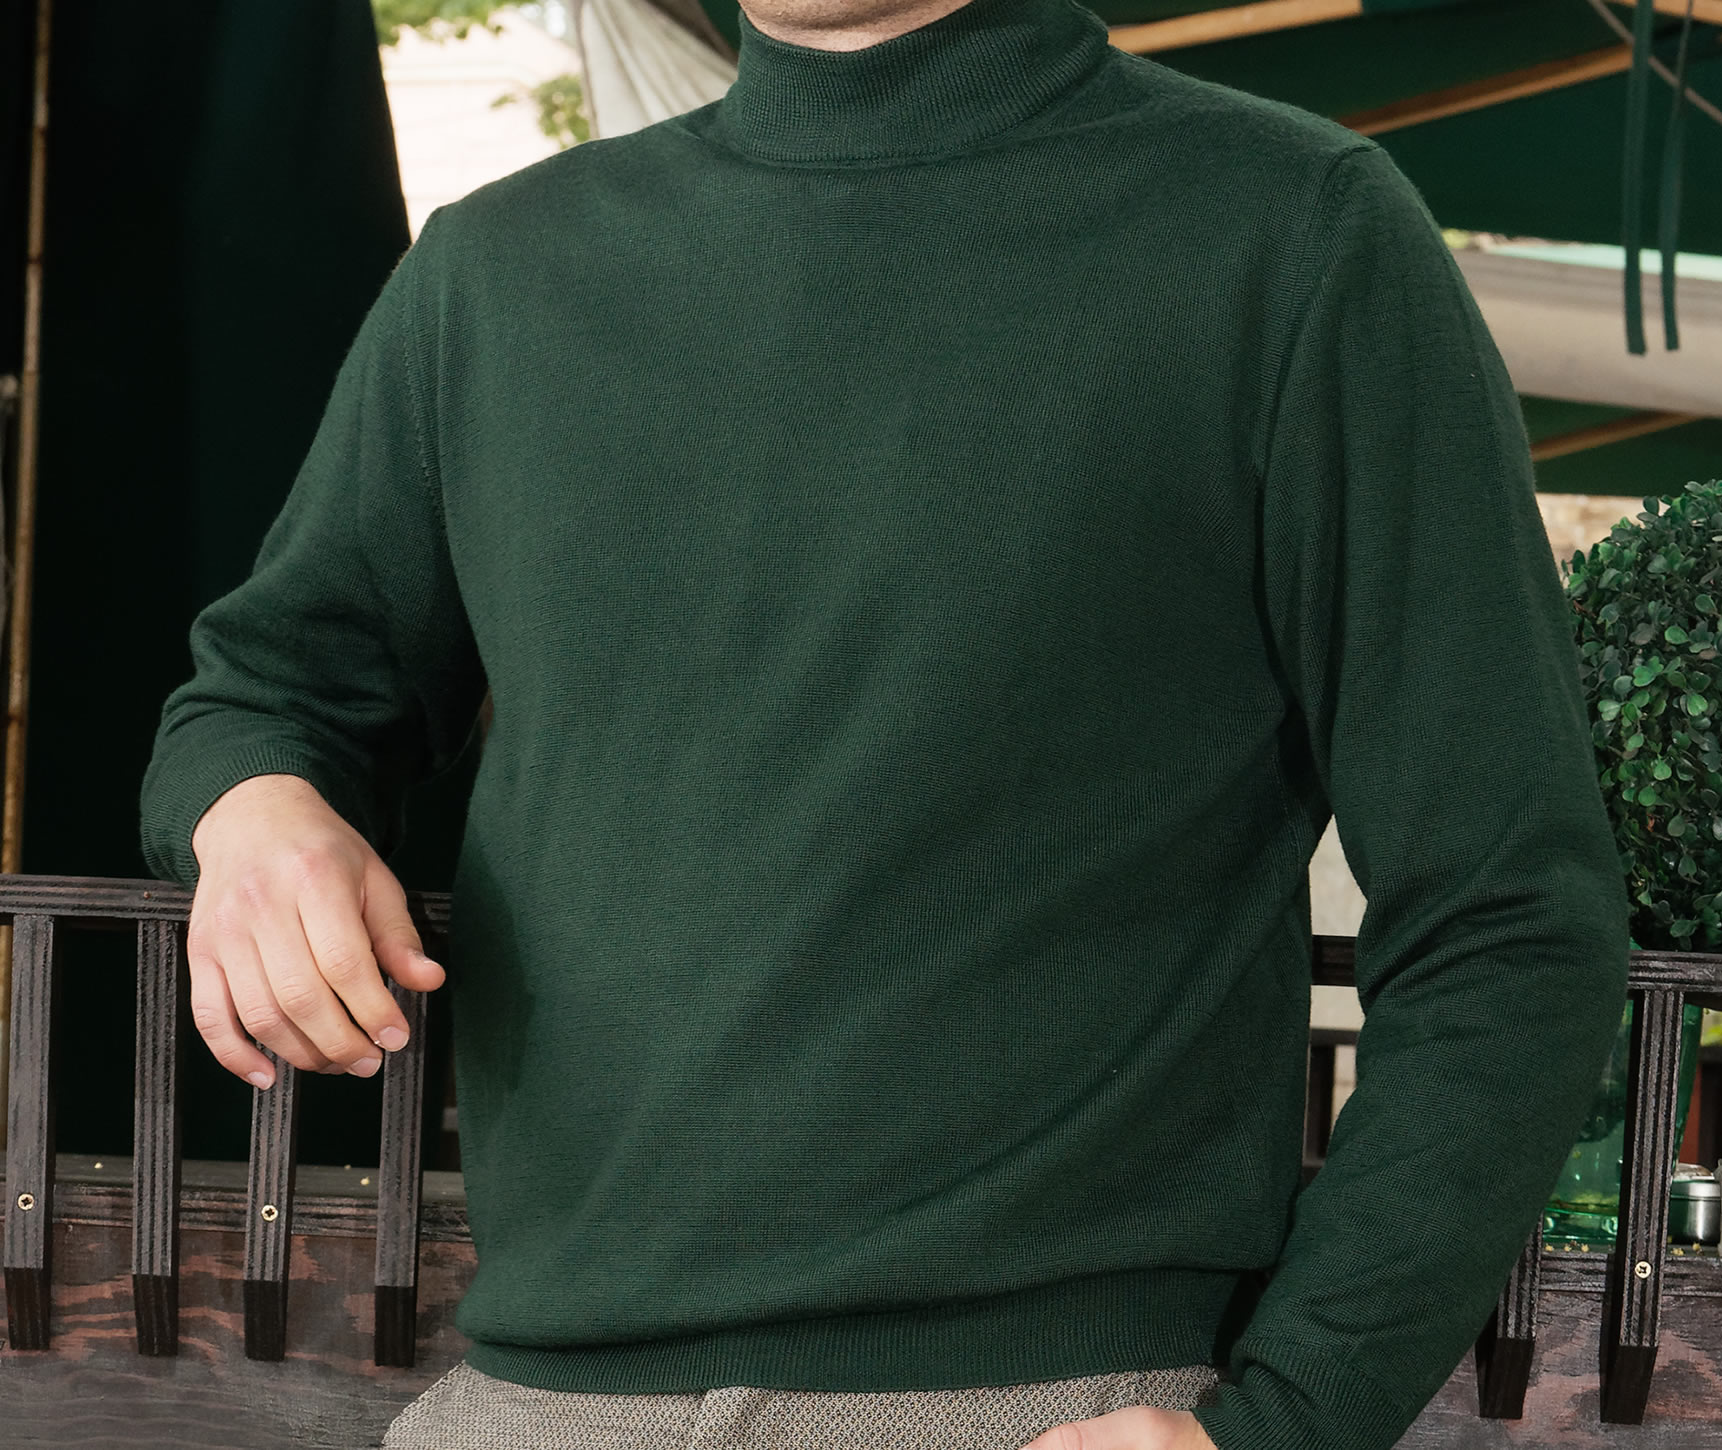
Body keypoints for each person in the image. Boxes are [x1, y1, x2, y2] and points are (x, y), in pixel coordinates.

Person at [139, 0, 1633, 1446]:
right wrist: (253, 810)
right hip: (531, 1403)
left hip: (1039, 1402)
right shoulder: (493, 274)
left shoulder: (1295, 232)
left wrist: (1291, 1421)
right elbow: (269, 689)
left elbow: (1509, 914)